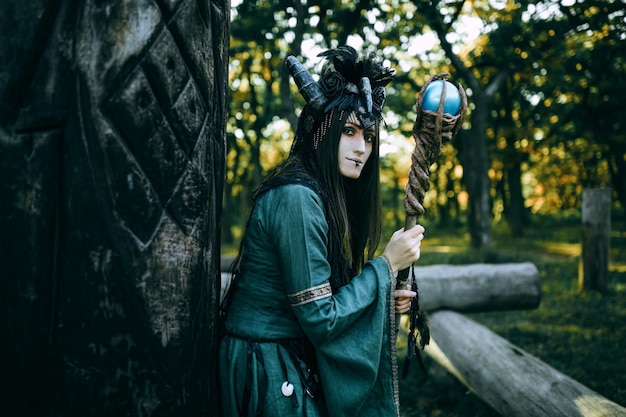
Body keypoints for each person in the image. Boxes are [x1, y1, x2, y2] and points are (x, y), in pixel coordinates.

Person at [219, 45, 425, 417]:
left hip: (290, 356)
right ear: (321, 133)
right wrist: (385, 267)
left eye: (369, 136)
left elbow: (323, 299)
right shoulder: (296, 197)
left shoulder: (323, 195)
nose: (361, 148)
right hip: (266, 364)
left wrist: (382, 295)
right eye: (349, 131)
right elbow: (322, 318)